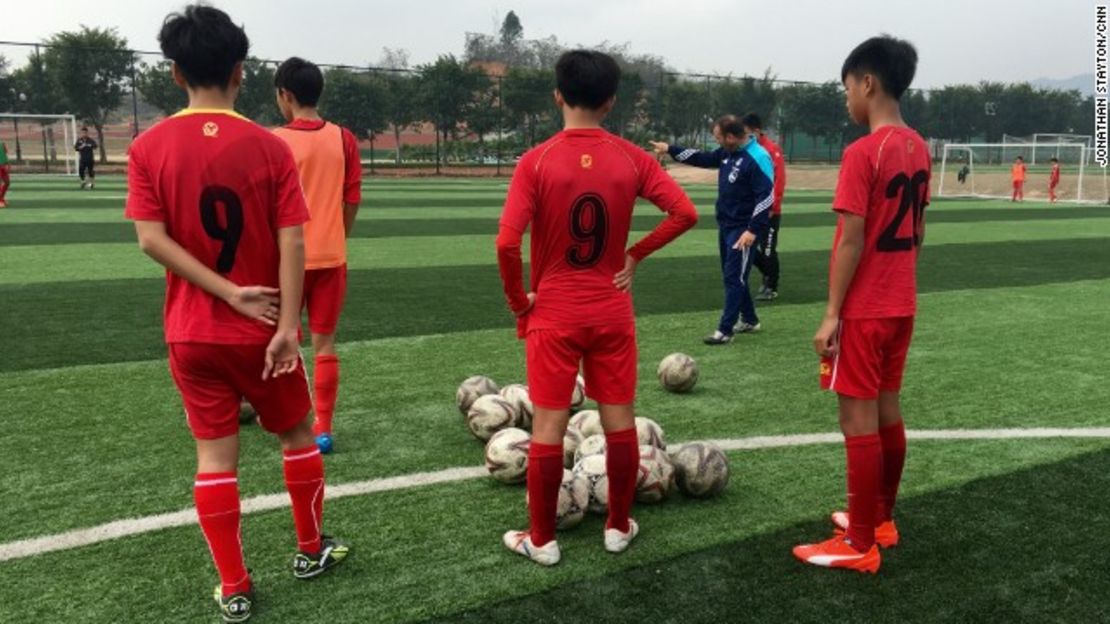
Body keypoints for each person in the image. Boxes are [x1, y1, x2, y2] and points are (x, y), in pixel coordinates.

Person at [124, 6, 348, 621]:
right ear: (241, 72)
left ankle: (236, 587)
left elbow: (150, 239)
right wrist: (280, 326)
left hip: (191, 333)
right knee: (298, 435)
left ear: (173, 73)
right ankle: (308, 550)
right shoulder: (267, 145)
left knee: (215, 459)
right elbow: (293, 243)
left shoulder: (147, 147)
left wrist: (221, 294)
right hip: (265, 330)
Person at [496, 49, 698, 566]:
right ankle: (617, 526)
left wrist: (521, 304)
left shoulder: (535, 160)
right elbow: (685, 212)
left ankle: (541, 540)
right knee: (619, 423)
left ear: (558, 95)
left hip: (554, 314)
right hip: (611, 309)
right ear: (611, 101)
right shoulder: (633, 157)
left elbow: (505, 244)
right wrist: (635, 253)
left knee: (546, 428)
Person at [793, 34, 930, 574]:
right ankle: (880, 520)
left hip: (867, 308)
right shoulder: (919, 144)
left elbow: (850, 238)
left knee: (857, 421)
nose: (846, 97)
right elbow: (918, 230)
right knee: (887, 409)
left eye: (847, 86)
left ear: (867, 83)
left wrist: (832, 314)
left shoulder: (862, 151)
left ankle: (859, 544)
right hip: (902, 303)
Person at [272, 56, 363, 454]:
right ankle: (322, 426)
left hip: (284, 260)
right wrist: (336, 236)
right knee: (324, 343)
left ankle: (286, 416)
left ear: (285, 95)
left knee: (284, 337)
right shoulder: (344, 138)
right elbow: (352, 198)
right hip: (331, 255)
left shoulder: (274, 141)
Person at [650, 116, 774, 345]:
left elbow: (766, 198)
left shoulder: (758, 158)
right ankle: (749, 319)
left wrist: (752, 230)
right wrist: (670, 149)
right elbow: (702, 157)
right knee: (735, 275)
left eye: (718, 137)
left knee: (733, 277)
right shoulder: (727, 152)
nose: (717, 142)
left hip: (743, 229)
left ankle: (725, 330)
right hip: (726, 225)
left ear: (730, 137)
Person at [742, 112, 786, 301]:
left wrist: (771, 207)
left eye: (747, 133)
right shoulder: (749, 150)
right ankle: (767, 275)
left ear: (757, 131)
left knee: (768, 249)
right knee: (747, 246)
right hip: (752, 210)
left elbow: (779, 181)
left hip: (769, 212)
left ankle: (771, 286)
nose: (744, 137)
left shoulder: (772, 150)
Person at [0, 141, 10, 208]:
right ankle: (0, 200)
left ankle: (1, 198)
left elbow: (5, 153)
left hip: (3, 166)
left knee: (7, 182)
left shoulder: (2, 144)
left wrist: (7, 164)